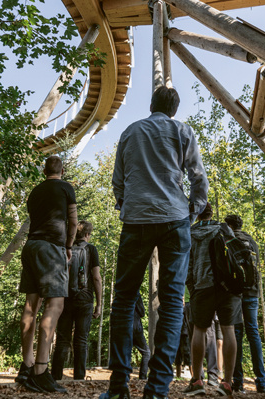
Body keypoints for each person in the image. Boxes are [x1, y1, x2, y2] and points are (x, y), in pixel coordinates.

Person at [101, 86, 209, 399]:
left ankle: (119, 386)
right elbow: (198, 177)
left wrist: (126, 203)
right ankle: (157, 389)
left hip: (136, 219)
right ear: (174, 109)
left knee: (123, 300)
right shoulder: (182, 130)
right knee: (172, 301)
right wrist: (193, 210)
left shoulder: (131, 132)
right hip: (174, 219)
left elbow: (118, 180)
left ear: (151, 105)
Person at [16, 155, 77, 393]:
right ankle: (41, 371)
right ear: (62, 170)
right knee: (55, 305)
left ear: (44, 171)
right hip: (51, 248)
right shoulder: (65, 188)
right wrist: (69, 246)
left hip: (31, 247)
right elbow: (73, 222)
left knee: (31, 304)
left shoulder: (34, 192)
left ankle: (27, 366)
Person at [184, 203, 240, 397]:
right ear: (212, 213)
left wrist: (191, 285)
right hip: (227, 286)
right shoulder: (224, 229)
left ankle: (197, 380)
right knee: (228, 329)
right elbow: (236, 255)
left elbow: (187, 263)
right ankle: (227, 383)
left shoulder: (189, 233)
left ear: (196, 214)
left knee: (199, 330)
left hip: (202, 285)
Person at [53, 220, 103, 381]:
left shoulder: (66, 250)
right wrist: (99, 304)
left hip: (65, 298)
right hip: (85, 299)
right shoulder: (91, 250)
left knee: (62, 339)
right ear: (87, 234)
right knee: (81, 340)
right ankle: (79, 378)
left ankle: (55, 377)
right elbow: (96, 278)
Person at [225, 214, 265, 394]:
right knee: (254, 333)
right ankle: (261, 382)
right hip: (252, 291)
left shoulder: (228, 241)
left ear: (228, 226)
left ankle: (238, 381)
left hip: (235, 292)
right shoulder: (252, 242)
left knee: (236, 333)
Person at [133, 294, 151, 380]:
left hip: (122, 326)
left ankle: (123, 376)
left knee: (124, 352)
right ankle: (143, 377)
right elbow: (142, 312)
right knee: (146, 352)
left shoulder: (120, 290)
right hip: (135, 326)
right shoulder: (136, 293)